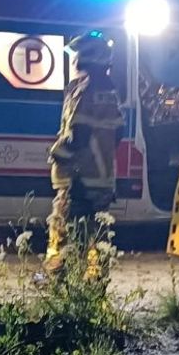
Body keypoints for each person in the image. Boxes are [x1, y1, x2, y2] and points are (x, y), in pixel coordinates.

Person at [46, 30, 124, 275]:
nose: (75, 59)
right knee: (96, 240)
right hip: (99, 180)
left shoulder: (88, 90)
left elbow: (77, 134)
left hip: (81, 179)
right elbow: (117, 133)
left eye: (79, 54)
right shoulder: (107, 91)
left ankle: (63, 287)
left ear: (90, 57)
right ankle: (92, 288)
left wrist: (59, 154)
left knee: (65, 235)